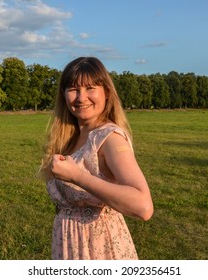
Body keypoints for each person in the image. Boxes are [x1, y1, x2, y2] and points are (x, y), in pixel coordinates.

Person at [40, 57, 153, 260]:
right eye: (73, 89)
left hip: (100, 250)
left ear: (106, 92)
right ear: (64, 94)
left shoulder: (109, 138)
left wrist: (77, 176)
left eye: (90, 88)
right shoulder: (69, 137)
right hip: (69, 245)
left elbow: (143, 206)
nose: (81, 98)